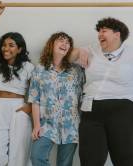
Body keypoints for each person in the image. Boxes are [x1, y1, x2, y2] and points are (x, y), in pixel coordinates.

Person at [70, 17, 133, 166]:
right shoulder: (90, 50)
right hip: (92, 110)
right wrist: (78, 50)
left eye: (104, 31)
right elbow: (67, 57)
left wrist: (127, 102)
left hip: (125, 111)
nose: (99, 35)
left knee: (124, 159)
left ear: (117, 34)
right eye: (99, 32)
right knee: (89, 160)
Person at [0, 2, 34, 166]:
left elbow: (36, 92)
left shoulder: (29, 67)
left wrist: (28, 107)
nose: (5, 48)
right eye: (4, 45)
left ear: (20, 49)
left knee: (19, 156)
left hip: (19, 107)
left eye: (11, 45)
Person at [28, 32, 85, 166]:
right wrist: (36, 125)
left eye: (67, 43)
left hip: (71, 125)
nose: (64, 44)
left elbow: (83, 96)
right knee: (36, 156)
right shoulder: (40, 69)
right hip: (46, 124)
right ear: (51, 44)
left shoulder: (76, 70)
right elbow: (34, 99)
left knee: (65, 164)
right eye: (61, 41)